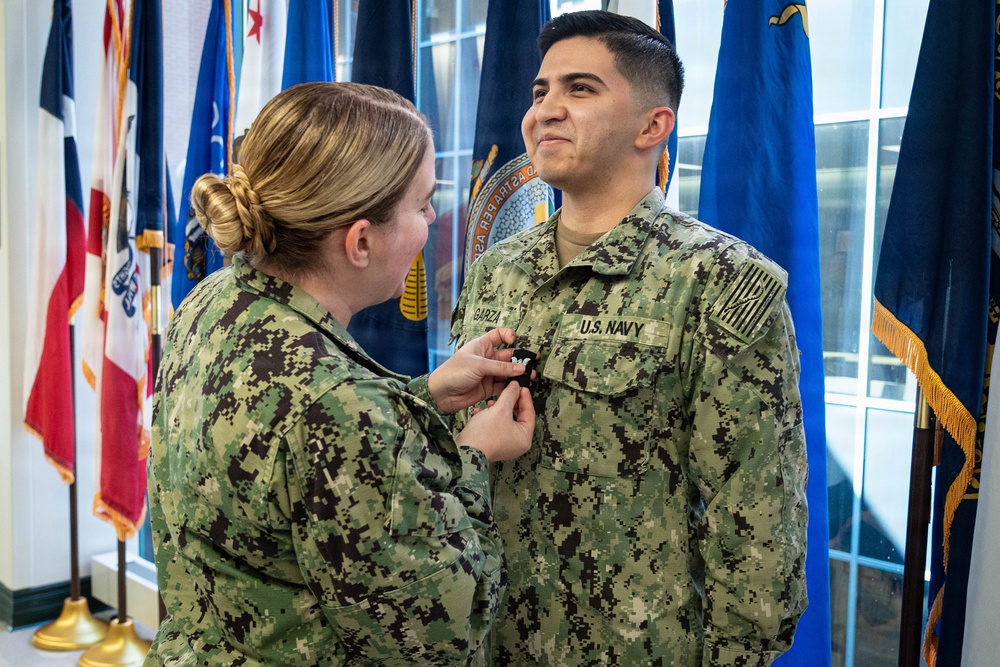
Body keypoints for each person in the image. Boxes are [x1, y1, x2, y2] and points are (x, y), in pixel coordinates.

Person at [451, 10, 808, 667]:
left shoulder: (718, 280)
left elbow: (756, 514)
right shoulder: (498, 269)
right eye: (540, 91)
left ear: (653, 126)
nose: (545, 110)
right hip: (490, 639)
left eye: (580, 89)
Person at [146, 81, 535, 666]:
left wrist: (421, 396)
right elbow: (444, 631)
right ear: (360, 241)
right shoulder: (341, 406)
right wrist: (472, 459)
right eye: (422, 204)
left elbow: (283, 451)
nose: (433, 218)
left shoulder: (215, 297)